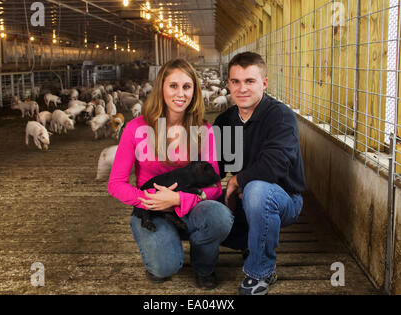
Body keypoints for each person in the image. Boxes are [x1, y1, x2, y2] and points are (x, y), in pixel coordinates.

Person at [108, 58, 233, 290]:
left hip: (191, 205)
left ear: (194, 91)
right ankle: (165, 243)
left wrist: (178, 200)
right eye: (173, 86)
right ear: (161, 88)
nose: (180, 93)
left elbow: (215, 184)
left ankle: (204, 266)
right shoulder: (136, 128)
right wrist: (151, 201)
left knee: (220, 217)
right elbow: (116, 184)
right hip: (152, 209)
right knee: (164, 268)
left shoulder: (203, 130)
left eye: (187, 87)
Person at [214, 52, 307, 295]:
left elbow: (274, 165)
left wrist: (237, 180)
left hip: (283, 198)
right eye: (235, 81)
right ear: (228, 84)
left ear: (264, 83)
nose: (241, 88)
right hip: (243, 198)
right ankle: (247, 242)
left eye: (250, 81)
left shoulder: (279, 116)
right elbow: (217, 166)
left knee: (257, 189)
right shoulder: (225, 121)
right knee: (203, 207)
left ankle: (262, 271)